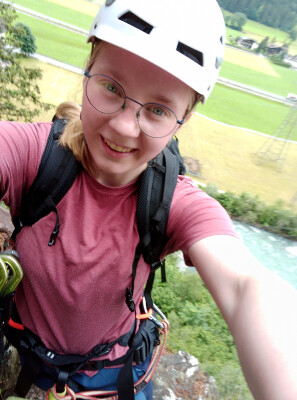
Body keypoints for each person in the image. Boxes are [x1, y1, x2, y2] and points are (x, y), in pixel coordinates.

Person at [1, 0, 297, 399]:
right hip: (27, 357)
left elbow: (246, 286)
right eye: (111, 88)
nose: (124, 127)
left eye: (157, 111)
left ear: (184, 119)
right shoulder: (35, 157)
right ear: (88, 69)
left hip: (108, 377)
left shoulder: (172, 201)